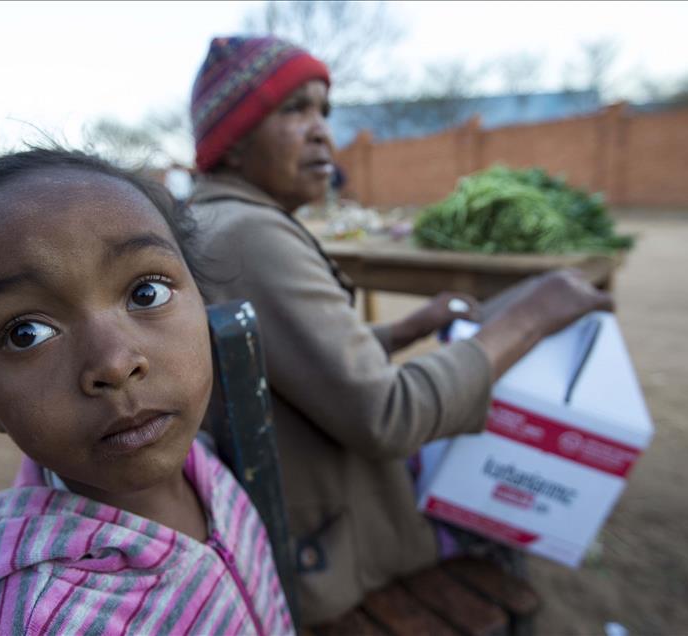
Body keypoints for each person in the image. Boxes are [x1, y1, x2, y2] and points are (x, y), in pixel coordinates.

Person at [187, 36, 614, 625]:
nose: (322, 133)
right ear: (230, 143)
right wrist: (532, 313)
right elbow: (389, 416)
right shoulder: (250, 235)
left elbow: (288, 366)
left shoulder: (213, 220)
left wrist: (408, 329)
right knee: (513, 508)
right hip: (337, 550)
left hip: (311, 519)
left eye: (324, 111)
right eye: (294, 110)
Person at [0, 145, 293, 635]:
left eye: (148, 292)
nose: (115, 364)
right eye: (26, 333)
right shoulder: (43, 620)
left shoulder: (206, 459)